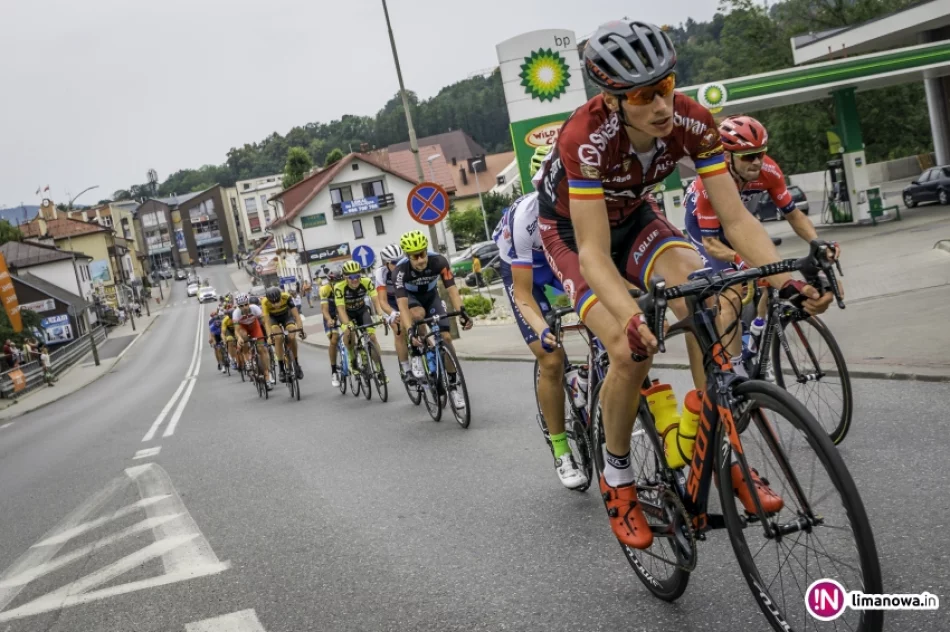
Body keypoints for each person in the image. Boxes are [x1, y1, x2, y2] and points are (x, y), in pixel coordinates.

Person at [535, 19, 832, 549]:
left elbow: (736, 219)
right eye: (645, 95)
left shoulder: (693, 120)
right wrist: (628, 316)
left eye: (667, 85)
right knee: (630, 353)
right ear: (612, 101)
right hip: (575, 237)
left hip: (638, 218)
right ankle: (618, 480)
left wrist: (788, 282)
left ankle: (723, 451)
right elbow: (595, 252)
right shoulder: (584, 137)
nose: (662, 105)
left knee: (716, 306)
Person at [684, 114, 840, 363]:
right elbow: (712, 243)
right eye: (748, 156)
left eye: (761, 153)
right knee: (732, 294)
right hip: (706, 231)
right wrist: (739, 261)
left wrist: (817, 242)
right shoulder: (708, 183)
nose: (757, 162)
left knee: (771, 272)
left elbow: (794, 215)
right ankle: (733, 370)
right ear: (727, 156)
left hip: (741, 224)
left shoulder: (769, 171)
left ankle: (757, 336)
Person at [493, 147, 588, 489]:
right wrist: (541, 328)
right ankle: (562, 452)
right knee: (551, 358)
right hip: (527, 270)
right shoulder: (525, 218)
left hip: (561, 258)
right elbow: (523, 294)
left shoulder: (585, 203)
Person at [394, 230, 473, 409]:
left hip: (431, 296)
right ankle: (415, 350)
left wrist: (463, 312)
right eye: (415, 257)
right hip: (412, 299)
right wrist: (409, 330)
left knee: (446, 338)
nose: (421, 260)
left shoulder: (439, 261)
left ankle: (453, 386)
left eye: (422, 254)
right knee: (417, 315)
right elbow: (402, 304)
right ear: (408, 256)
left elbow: (452, 290)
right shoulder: (400, 271)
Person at [334, 260, 384, 377]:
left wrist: (380, 315)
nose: (355, 279)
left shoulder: (366, 282)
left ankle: (379, 369)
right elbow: (340, 309)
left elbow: (375, 300)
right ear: (345, 277)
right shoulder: (339, 287)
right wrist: (347, 324)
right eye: (351, 277)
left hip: (362, 311)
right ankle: (352, 360)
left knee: (372, 337)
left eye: (357, 275)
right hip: (346, 313)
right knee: (349, 332)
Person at [375, 244, 412, 380]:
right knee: (399, 331)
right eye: (394, 263)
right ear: (386, 264)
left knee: (420, 325)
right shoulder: (381, 273)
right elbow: (382, 301)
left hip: (406, 298)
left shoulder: (407, 267)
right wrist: (392, 313)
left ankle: (427, 354)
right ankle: (406, 368)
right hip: (390, 303)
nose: (398, 265)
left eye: (401, 260)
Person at [261, 286, 305, 382]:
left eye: (277, 301)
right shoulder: (264, 302)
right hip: (273, 319)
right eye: (273, 303)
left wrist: (301, 329)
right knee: (278, 337)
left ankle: (296, 364)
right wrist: (269, 336)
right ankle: (281, 369)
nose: (276, 304)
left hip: (286, 316)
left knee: (292, 336)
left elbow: (296, 316)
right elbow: (267, 322)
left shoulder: (287, 297)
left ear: (281, 297)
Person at [232, 293, 272, 390]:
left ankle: (267, 376)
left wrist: (269, 334)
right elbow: (236, 330)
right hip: (243, 328)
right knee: (244, 336)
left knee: (261, 349)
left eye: (246, 304)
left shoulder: (255, 308)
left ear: (249, 303)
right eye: (241, 306)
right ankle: (248, 360)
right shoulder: (236, 313)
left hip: (255, 327)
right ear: (238, 306)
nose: (244, 307)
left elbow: (264, 322)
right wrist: (239, 338)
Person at [320, 274, 343, 386]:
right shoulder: (325, 290)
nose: (335, 285)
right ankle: (334, 371)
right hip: (331, 315)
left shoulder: (345, 286)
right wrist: (329, 319)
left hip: (342, 313)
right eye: (333, 283)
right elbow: (324, 310)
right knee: (334, 339)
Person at [208, 309, 227, 373]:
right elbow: (212, 335)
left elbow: (225, 332)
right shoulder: (211, 325)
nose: (218, 323)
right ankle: (221, 364)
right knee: (217, 349)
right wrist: (214, 343)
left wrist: (225, 340)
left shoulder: (222, 322)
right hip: (216, 336)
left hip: (223, 334)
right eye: (216, 322)